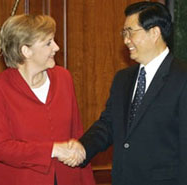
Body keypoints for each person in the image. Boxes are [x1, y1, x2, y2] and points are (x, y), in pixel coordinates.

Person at [65, 1, 187, 185]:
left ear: (154, 33)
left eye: (131, 32)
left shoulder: (182, 78)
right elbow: (108, 124)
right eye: (124, 33)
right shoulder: (123, 79)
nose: (125, 40)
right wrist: (83, 146)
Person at [0, 14, 95, 185]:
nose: (57, 47)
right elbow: (1, 148)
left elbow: (76, 133)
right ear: (26, 51)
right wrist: (53, 149)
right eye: (48, 43)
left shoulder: (63, 77)